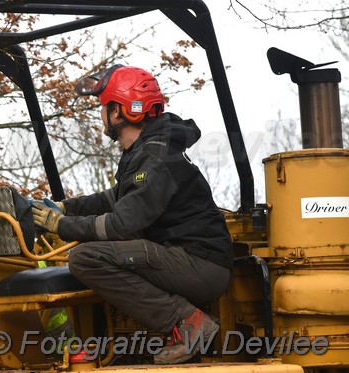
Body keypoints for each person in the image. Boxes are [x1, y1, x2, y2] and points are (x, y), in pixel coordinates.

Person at [31, 64, 233, 365]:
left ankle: (188, 322)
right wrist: (67, 208)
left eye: (104, 107)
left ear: (118, 112)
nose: (102, 115)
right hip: (185, 258)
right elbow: (116, 199)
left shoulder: (155, 158)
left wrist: (62, 226)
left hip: (198, 264)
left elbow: (123, 223)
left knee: (86, 258)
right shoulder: (144, 153)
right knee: (93, 253)